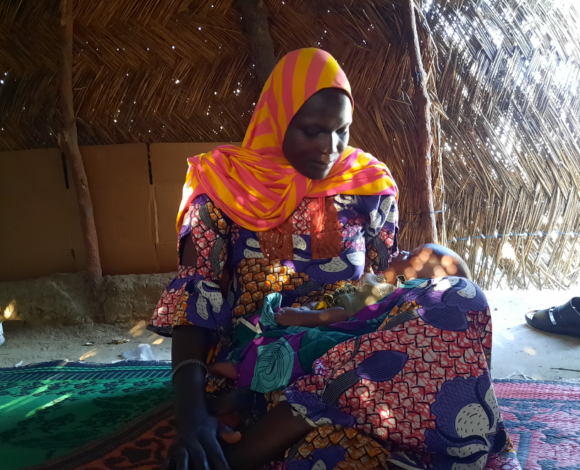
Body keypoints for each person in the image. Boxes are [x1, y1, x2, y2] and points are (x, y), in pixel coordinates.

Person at [148, 48, 520, 470]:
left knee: (462, 295)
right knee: (342, 455)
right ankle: (312, 417)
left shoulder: (366, 184)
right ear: (277, 121)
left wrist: (434, 270)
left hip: (362, 342)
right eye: (312, 131)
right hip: (268, 360)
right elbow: (196, 298)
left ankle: (281, 429)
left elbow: (384, 278)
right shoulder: (223, 186)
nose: (330, 148)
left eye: (341, 131)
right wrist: (192, 414)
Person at [206, 244, 472, 389]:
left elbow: (342, 315)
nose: (402, 252)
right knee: (264, 324)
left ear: (415, 280)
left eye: (411, 256)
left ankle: (238, 368)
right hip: (319, 311)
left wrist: (300, 317)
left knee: (287, 339)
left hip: (323, 324)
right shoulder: (381, 286)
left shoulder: (383, 293)